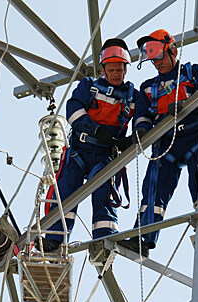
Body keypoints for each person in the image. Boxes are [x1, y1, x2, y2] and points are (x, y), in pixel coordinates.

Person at [118, 29, 198, 258]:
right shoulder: (148, 87)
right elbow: (143, 115)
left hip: (197, 138)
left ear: (173, 51)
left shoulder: (192, 72)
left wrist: (187, 105)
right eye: (153, 60)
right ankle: (143, 238)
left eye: (159, 57)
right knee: (153, 189)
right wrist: (141, 132)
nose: (156, 64)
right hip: (167, 144)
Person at [35, 38, 138, 252]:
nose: (116, 74)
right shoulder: (89, 86)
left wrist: (135, 137)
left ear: (126, 69)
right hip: (79, 152)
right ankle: (54, 239)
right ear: (103, 69)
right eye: (112, 70)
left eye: (120, 69)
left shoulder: (132, 97)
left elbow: (145, 118)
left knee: (103, 193)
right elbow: (73, 110)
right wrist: (96, 130)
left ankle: (105, 239)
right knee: (65, 192)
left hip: (105, 156)